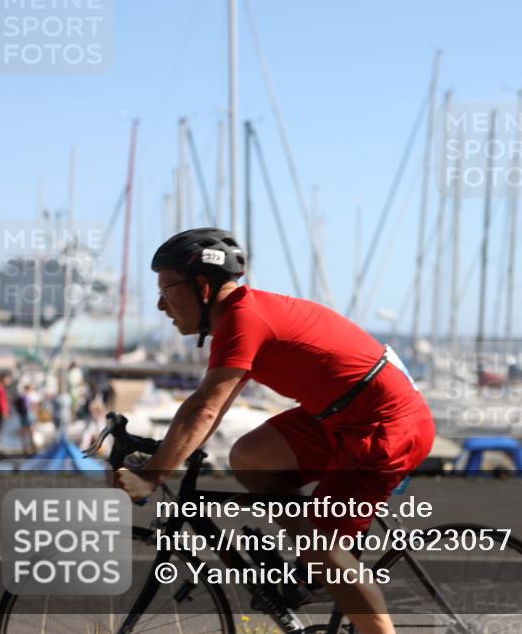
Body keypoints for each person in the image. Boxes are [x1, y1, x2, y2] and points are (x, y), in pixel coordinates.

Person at [114, 228, 435, 634]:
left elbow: (206, 407)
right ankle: (313, 568)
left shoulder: (243, 320)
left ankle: (326, 567)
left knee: (323, 548)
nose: (161, 304)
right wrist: (158, 455)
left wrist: (153, 475)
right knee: (249, 458)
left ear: (202, 285)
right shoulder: (238, 317)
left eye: (166, 289)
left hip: (384, 425)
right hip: (339, 416)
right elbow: (209, 407)